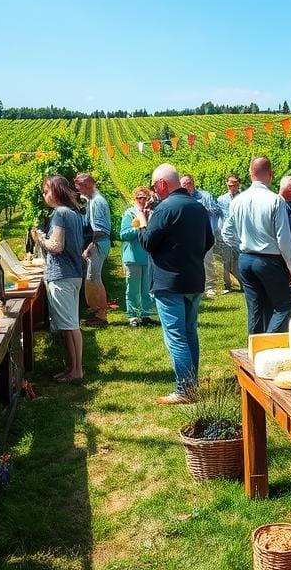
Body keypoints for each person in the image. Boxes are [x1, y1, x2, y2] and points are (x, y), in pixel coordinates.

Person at [134, 163, 213, 404]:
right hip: (194, 278)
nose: (153, 191)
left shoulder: (164, 209)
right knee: (190, 332)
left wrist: (141, 220)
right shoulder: (198, 207)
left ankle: (185, 390)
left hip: (169, 283)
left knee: (176, 336)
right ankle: (192, 385)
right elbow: (209, 241)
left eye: (154, 186)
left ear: (161, 184)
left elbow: (148, 243)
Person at [222, 157, 291, 335]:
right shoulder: (275, 200)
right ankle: (267, 345)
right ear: (271, 175)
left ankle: (254, 350)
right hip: (269, 260)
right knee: (284, 306)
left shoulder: (237, 200)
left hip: (246, 259)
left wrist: (242, 245)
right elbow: (283, 239)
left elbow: (226, 233)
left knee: (255, 309)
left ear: (250, 174)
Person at [37, 175, 85, 382]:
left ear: (56, 192)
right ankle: (72, 367)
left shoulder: (59, 214)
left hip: (62, 275)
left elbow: (56, 246)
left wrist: (40, 238)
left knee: (71, 325)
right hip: (74, 273)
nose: (45, 195)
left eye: (47, 191)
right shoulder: (73, 213)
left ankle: (77, 370)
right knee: (69, 324)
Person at [74, 173, 111, 327]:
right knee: (91, 279)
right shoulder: (93, 200)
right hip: (99, 243)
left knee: (94, 279)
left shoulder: (97, 202)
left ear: (88, 185)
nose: (79, 192)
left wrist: (90, 246)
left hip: (99, 243)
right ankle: (97, 312)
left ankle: (101, 315)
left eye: (80, 188)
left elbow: (100, 230)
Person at [118, 186, 156, 327]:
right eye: (138, 197)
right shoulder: (130, 214)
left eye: (144, 197)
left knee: (147, 288)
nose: (141, 200)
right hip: (132, 256)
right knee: (133, 289)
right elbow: (122, 234)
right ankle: (132, 316)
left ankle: (146, 314)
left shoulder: (152, 214)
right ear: (134, 199)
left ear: (148, 199)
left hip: (147, 256)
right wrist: (137, 229)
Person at [180, 174, 221, 298]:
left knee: (207, 261)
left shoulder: (205, 196)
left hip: (204, 234)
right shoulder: (179, 198)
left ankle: (210, 287)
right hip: (186, 235)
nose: (187, 186)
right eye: (184, 184)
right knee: (188, 261)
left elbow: (217, 211)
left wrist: (204, 209)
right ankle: (192, 285)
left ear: (194, 183)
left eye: (189, 183)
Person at [216, 174, 242, 293]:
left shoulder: (243, 198)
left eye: (234, 183)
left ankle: (243, 284)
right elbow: (219, 217)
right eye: (230, 183)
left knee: (239, 260)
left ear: (238, 184)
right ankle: (227, 285)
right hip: (225, 235)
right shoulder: (221, 199)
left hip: (240, 234)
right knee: (226, 260)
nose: (232, 185)